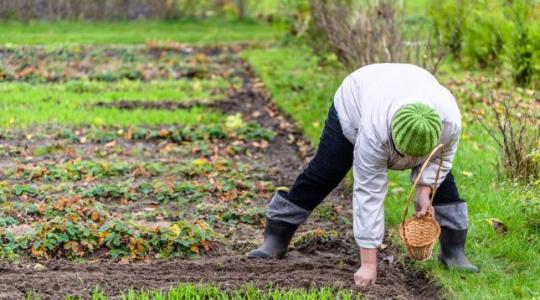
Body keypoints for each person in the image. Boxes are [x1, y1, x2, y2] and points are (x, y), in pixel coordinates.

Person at [247, 63, 479, 287]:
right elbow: (369, 192)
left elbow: (442, 159)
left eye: (416, 157)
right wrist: (368, 263)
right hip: (357, 99)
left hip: (406, 85)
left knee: (443, 181)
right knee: (326, 172)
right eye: (404, 154)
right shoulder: (374, 130)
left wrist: (425, 188)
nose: (409, 162)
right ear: (392, 138)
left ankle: (453, 251)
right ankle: (278, 233)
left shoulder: (449, 121)